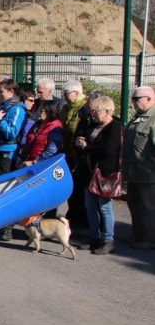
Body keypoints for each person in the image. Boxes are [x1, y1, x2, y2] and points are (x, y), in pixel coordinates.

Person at [74, 95, 122, 255]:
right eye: (92, 110)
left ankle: (108, 240)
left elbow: (108, 150)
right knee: (90, 206)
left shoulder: (115, 126)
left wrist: (87, 147)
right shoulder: (95, 125)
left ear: (107, 111)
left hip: (105, 173)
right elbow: (90, 142)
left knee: (104, 207)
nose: (93, 114)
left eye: (96, 111)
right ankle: (94, 237)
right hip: (90, 171)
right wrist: (81, 143)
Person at [0, 79, 27, 241]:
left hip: (6, 153)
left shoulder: (17, 109)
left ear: (11, 91)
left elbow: (11, 133)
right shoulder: (1, 107)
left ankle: (7, 227)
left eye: (1, 91)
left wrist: (0, 121)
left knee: (5, 190)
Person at [123, 86, 155, 250]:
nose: (133, 103)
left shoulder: (153, 118)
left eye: (137, 99)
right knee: (134, 204)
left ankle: (150, 239)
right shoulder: (139, 117)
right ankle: (138, 234)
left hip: (147, 173)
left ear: (149, 99)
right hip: (133, 171)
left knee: (148, 206)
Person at [60, 80, 90, 231]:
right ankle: (73, 215)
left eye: (66, 94)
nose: (64, 97)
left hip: (78, 152)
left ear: (77, 93)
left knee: (79, 187)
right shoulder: (66, 107)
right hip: (67, 150)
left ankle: (81, 219)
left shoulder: (84, 107)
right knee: (70, 186)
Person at [19, 102, 63, 167]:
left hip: (43, 165)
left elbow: (51, 150)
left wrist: (35, 162)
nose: (39, 113)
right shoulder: (37, 124)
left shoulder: (55, 128)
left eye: (42, 111)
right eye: (39, 110)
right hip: (28, 162)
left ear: (50, 112)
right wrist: (21, 158)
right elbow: (28, 142)